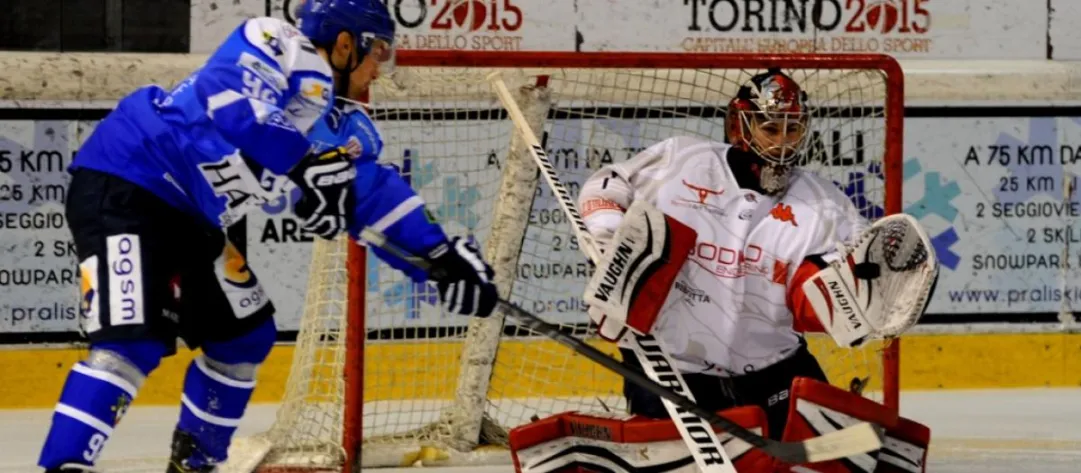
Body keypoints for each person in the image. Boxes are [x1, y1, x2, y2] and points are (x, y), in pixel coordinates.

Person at [38, 1, 495, 472]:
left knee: (244, 336)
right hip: (130, 179)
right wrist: (302, 163)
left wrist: (439, 258)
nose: (381, 68)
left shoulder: (341, 125)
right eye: (378, 50)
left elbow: (372, 194)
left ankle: (196, 464)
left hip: (191, 215)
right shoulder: (275, 41)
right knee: (130, 343)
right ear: (345, 43)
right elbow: (231, 101)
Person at [572, 68, 933, 472]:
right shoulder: (682, 160)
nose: (782, 142)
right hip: (670, 369)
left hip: (775, 373)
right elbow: (607, 183)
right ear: (737, 125)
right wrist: (607, 237)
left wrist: (868, 302)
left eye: (792, 128)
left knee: (836, 463)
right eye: (770, 127)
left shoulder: (826, 206)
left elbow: (833, 297)